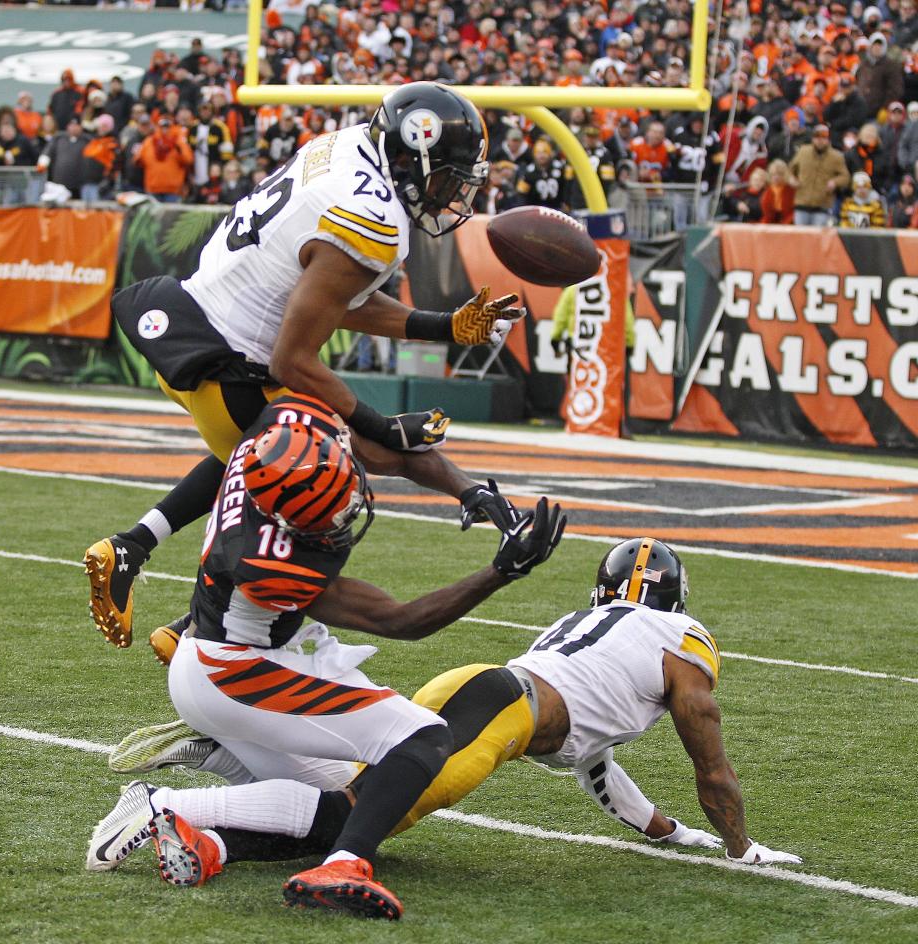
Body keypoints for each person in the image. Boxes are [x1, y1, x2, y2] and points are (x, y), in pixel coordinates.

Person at [96, 536, 801, 914]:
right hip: (501, 708)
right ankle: (174, 804)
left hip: (482, 686)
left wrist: (674, 834)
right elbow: (706, 747)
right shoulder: (680, 636)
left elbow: (596, 762)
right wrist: (741, 847)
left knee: (363, 793)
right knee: (356, 816)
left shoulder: (592, 631)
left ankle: (216, 826)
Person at [87, 393, 565, 921]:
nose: (343, 515)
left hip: (224, 661)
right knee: (423, 736)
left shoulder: (279, 434)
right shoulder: (271, 561)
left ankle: (222, 764)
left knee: (348, 801)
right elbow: (401, 621)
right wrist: (502, 571)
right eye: (327, 515)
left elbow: (390, 446)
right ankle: (172, 807)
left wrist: (459, 482)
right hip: (235, 675)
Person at [83, 82, 525, 652]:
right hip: (234, 368)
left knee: (254, 453)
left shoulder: (345, 148)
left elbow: (331, 295)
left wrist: (439, 325)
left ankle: (132, 547)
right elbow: (296, 358)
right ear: (413, 156)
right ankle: (195, 625)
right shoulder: (374, 219)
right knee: (322, 480)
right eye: (446, 177)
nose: (451, 195)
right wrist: (379, 424)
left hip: (194, 326)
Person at [788, 123, 850, 226]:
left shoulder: (836, 157)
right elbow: (789, 169)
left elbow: (845, 177)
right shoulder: (803, 152)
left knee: (817, 238)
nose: (820, 140)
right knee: (800, 237)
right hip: (802, 203)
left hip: (822, 205)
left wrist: (835, 182)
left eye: (823, 137)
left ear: (828, 140)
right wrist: (791, 179)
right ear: (813, 139)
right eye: (817, 137)